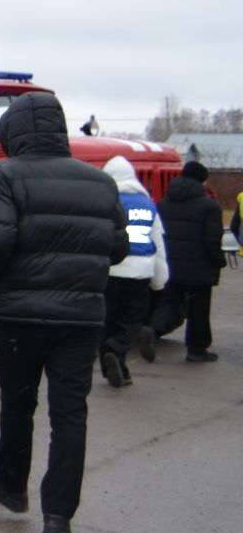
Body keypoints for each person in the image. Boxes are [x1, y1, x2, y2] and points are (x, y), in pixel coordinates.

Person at [0, 92, 126, 533]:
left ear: (13, 133)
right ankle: (58, 520)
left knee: (18, 405)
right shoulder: (100, 182)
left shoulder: (6, 175)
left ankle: (12, 485)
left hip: (19, 314)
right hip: (81, 317)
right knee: (70, 415)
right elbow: (117, 247)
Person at [100, 156, 169, 384]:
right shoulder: (148, 204)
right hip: (141, 269)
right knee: (132, 319)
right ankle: (118, 353)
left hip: (111, 270)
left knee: (108, 320)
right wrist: (160, 280)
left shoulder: (107, 202)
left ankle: (111, 363)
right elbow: (158, 242)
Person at [156, 159, 224, 364]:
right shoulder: (209, 207)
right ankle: (196, 349)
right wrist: (219, 260)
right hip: (200, 267)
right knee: (199, 309)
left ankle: (149, 331)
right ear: (202, 181)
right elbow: (212, 239)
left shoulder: (163, 204)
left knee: (169, 302)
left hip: (171, 264)